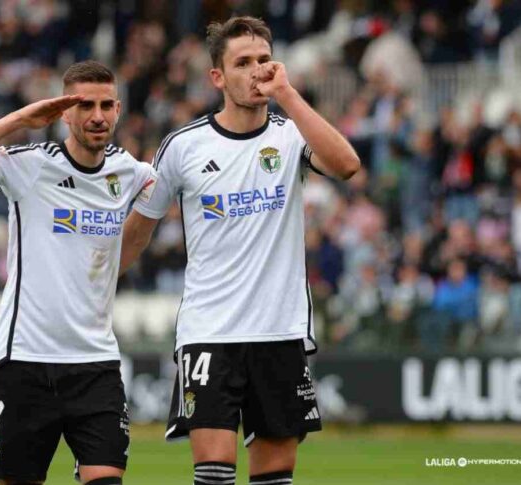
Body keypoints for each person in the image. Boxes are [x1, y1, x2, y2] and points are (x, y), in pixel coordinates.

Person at [120, 16, 360, 485]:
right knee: (213, 476)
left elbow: (347, 165)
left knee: (274, 479)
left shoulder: (290, 136)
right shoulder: (183, 147)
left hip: (279, 330)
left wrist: (289, 96)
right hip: (210, 331)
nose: (257, 71)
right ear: (217, 77)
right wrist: (99, 282)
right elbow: (139, 229)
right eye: (243, 62)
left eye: (264, 60)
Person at [0, 60, 157, 485]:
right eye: (85, 105)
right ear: (65, 113)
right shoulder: (31, 166)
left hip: (95, 362)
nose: (97, 116)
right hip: (26, 361)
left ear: (119, 108)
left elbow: (146, 224)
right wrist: (20, 118)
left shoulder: (131, 173)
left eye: (107, 105)